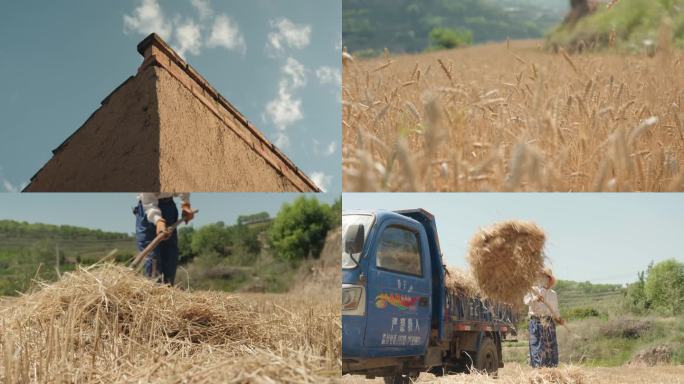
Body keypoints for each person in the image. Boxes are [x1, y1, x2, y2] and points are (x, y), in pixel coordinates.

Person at [135, 193, 194, 285]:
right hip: (148, 209)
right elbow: (148, 200)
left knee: (170, 256)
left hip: (169, 207)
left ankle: (168, 291)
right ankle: (153, 293)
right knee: (152, 259)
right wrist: (158, 220)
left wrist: (185, 204)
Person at [524, 268, 564, 368]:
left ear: (549, 279)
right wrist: (535, 299)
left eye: (545, 277)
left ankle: (551, 371)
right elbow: (526, 301)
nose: (542, 278)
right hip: (536, 322)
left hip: (549, 322)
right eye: (540, 276)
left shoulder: (553, 294)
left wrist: (559, 318)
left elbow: (555, 310)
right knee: (537, 348)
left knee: (550, 348)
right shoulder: (532, 290)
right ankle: (538, 371)